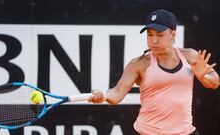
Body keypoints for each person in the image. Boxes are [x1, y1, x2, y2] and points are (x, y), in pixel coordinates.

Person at [88, 9, 220, 135]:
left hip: (185, 132)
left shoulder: (190, 56)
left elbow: (215, 83)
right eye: (150, 34)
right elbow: (117, 93)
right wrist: (103, 95)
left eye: (160, 35)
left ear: (173, 34)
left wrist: (202, 77)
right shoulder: (138, 63)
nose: (154, 40)